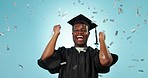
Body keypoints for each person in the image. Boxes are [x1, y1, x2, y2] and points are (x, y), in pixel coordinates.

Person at [37, 14, 118, 78]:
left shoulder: (94, 54)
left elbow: (106, 61)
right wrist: (55, 35)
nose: (80, 33)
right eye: (76, 30)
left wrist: (102, 40)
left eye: (83, 30)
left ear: (88, 34)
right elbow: (45, 58)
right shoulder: (64, 53)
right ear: (72, 34)